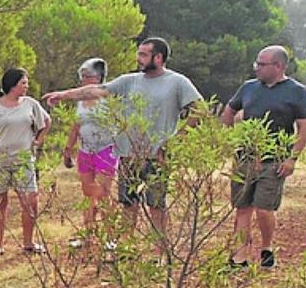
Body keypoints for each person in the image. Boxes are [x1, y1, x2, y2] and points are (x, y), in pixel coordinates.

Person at [44, 37, 201, 236]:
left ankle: (159, 252)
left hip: (157, 157)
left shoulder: (177, 82)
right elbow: (97, 90)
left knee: (156, 206)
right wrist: (64, 95)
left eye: (144, 54)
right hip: (129, 155)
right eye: (138, 53)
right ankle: (127, 250)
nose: (138, 58)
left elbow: (199, 110)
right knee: (128, 204)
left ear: (159, 57)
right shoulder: (129, 81)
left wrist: (174, 143)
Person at [220, 45, 306, 268]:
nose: (256, 68)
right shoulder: (249, 87)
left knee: (263, 208)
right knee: (242, 207)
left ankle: (267, 248)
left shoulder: (296, 91)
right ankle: (240, 256)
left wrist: (292, 159)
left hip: (274, 160)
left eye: (262, 64)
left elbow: (303, 127)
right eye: (256, 63)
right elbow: (230, 110)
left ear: (278, 66)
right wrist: (230, 139)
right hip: (246, 158)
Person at [0, 68, 51, 260]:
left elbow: (46, 122)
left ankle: (28, 242)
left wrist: (38, 141)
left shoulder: (31, 105)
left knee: (30, 201)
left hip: (23, 160)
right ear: (12, 85)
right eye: (23, 83)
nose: (27, 86)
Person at [61, 57, 117, 246]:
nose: (82, 80)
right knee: (87, 193)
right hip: (85, 151)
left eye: (87, 76)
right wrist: (68, 148)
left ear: (98, 77)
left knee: (102, 194)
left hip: (106, 150)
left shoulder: (109, 98)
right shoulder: (81, 100)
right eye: (81, 76)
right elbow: (76, 125)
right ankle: (88, 235)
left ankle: (110, 238)